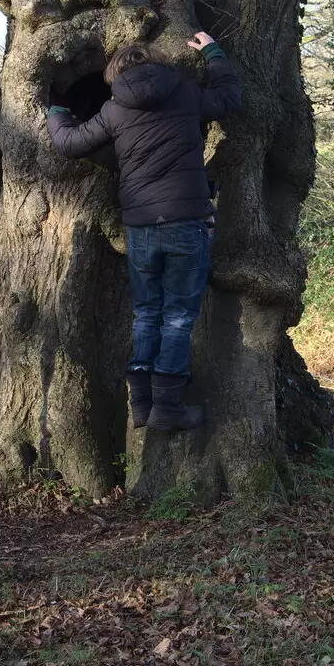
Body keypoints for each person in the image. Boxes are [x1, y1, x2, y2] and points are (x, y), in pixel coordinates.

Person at [46, 32, 242, 433]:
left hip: (141, 227)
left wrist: (55, 107)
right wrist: (212, 52)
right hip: (186, 222)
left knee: (147, 313)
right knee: (178, 317)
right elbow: (228, 98)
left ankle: (142, 405)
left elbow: (68, 143)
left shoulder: (114, 111)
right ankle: (167, 407)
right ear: (158, 65)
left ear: (115, 74)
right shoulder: (186, 93)